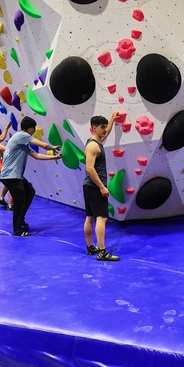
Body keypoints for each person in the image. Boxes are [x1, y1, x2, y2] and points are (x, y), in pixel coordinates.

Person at [0, 116, 61, 236]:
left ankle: (20, 218)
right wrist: (53, 147)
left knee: (30, 192)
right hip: (11, 176)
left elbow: (36, 155)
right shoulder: (22, 136)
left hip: (13, 175)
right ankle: (17, 230)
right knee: (19, 201)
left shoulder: (21, 140)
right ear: (29, 128)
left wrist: (53, 157)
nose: (34, 131)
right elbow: (43, 145)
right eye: (34, 129)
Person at [83, 112, 121, 261]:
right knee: (102, 218)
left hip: (89, 186)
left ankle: (90, 246)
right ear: (93, 128)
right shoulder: (93, 146)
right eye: (102, 127)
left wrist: (111, 120)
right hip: (94, 186)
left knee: (90, 217)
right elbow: (89, 168)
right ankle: (102, 251)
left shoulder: (94, 142)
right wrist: (102, 187)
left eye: (105, 127)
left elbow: (106, 134)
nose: (105, 130)